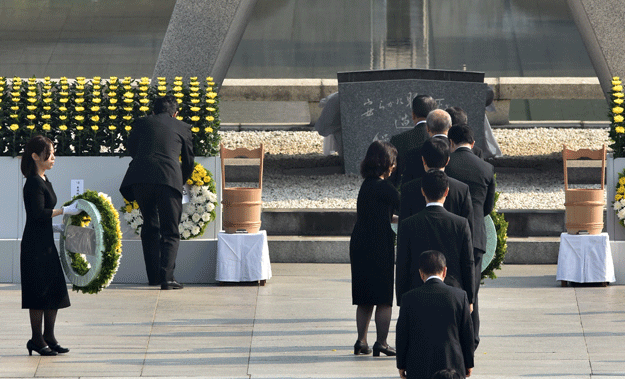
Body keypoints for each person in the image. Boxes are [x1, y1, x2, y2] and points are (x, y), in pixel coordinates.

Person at [120, 95, 195, 290]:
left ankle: (153, 277)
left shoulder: (142, 123)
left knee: (150, 225)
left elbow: (132, 149)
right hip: (168, 179)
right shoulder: (183, 127)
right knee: (170, 230)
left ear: (152, 112)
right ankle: (167, 278)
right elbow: (188, 161)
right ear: (175, 113)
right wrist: (180, 180)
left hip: (140, 179)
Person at [21, 135, 82, 356]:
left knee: (53, 289)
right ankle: (36, 339)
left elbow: (43, 216)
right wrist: (64, 211)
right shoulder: (33, 182)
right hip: (34, 246)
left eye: (54, 152)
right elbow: (38, 214)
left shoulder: (45, 180)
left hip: (45, 242)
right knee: (38, 291)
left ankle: (49, 336)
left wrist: (57, 227)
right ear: (35, 156)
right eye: (49, 153)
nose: (53, 157)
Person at [446, 124, 496, 348]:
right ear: (473, 143)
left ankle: (451, 333)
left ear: (450, 143)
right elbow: (488, 208)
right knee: (471, 290)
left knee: (450, 286)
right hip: (475, 235)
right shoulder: (486, 168)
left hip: (450, 234)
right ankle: (472, 337)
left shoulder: (447, 166)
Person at [350, 140, 400, 356]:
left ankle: (361, 341)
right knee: (383, 298)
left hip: (360, 243)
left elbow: (382, 215)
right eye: (394, 162)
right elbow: (405, 208)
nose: (395, 166)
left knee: (364, 298)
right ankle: (382, 341)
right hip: (380, 245)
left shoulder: (366, 186)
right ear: (386, 163)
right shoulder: (386, 188)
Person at [396, 170, 474, 307]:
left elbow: (403, 263)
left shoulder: (408, 224)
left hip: (416, 291)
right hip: (453, 292)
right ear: (446, 192)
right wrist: (470, 298)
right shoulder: (460, 224)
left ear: (422, 192)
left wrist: (401, 298)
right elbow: (468, 262)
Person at [396, 251, 474, 379]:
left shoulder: (409, 298)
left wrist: (402, 364)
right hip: (452, 363)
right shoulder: (460, 296)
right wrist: (469, 362)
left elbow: (402, 334)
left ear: (421, 273)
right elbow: (467, 332)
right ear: (445, 271)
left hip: (418, 365)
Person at [399, 138, 473, 233]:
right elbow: (468, 229)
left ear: (423, 160)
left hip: (419, 246)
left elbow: (403, 228)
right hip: (452, 246)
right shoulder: (461, 189)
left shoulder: (408, 189)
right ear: (447, 161)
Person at [390, 94, 438, 187]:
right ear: (434, 115)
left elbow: (393, 174)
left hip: (406, 192)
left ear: (413, 114)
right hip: (437, 192)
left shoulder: (398, 140)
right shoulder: (441, 140)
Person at [401, 109, 452, 185]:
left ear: (427, 128)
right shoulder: (456, 152)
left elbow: (405, 184)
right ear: (450, 127)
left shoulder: (413, 154)